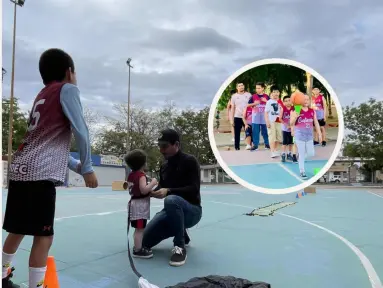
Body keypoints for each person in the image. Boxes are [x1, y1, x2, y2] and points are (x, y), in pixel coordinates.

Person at [2, 48, 98, 288]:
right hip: (38, 176)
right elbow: (81, 132)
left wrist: (77, 165)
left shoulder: (42, 95)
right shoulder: (68, 90)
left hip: (21, 169)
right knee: (44, 235)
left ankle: (2, 277)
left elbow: (51, 147)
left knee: (17, 229)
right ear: (69, 72)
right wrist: (87, 168)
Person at [141, 129, 202, 267]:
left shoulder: (190, 161)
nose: (161, 150)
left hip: (192, 211)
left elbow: (194, 188)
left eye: (165, 146)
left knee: (171, 199)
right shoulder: (164, 166)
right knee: (144, 241)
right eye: (159, 146)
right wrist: (146, 191)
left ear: (176, 145)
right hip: (172, 211)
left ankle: (179, 247)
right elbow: (162, 187)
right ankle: (181, 232)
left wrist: (169, 191)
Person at [124, 149, 158, 258]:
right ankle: (138, 250)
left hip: (133, 204)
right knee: (140, 229)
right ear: (143, 163)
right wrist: (153, 183)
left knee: (137, 229)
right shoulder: (141, 175)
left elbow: (133, 188)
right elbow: (143, 190)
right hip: (140, 206)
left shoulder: (131, 175)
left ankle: (137, 246)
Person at [290, 94, 322, 179]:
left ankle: (300, 157)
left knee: (311, 153)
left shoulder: (312, 111)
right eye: (304, 99)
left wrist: (319, 134)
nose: (306, 101)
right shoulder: (296, 109)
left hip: (309, 136)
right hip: (299, 135)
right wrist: (295, 117)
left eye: (307, 99)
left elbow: (316, 123)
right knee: (302, 153)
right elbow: (291, 123)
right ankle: (302, 171)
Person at [248, 82, 270, 151]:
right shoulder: (253, 96)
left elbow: (272, 105)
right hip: (255, 118)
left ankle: (267, 144)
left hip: (264, 118)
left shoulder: (266, 96)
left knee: (265, 131)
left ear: (263, 88)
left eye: (259, 88)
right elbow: (248, 105)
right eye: (256, 88)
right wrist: (255, 103)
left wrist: (266, 101)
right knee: (255, 132)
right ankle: (255, 145)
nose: (257, 89)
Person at [230, 83, 252, 150]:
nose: (241, 87)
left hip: (247, 117)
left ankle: (249, 145)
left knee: (249, 131)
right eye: (239, 86)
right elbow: (232, 108)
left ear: (244, 86)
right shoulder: (234, 96)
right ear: (237, 88)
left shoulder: (249, 95)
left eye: (242, 85)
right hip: (237, 116)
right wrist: (232, 119)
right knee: (237, 133)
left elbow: (252, 105)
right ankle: (237, 147)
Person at [264, 86, 282, 157]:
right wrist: (267, 122)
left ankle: (275, 150)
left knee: (278, 137)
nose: (275, 93)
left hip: (278, 121)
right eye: (274, 92)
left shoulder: (280, 102)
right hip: (271, 121)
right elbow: (265, 113)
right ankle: (272, 151)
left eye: (277, 92)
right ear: (271, 93)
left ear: (279, 93)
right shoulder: (269, 102)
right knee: (272, 136)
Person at [279, 96, 295, 162]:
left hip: (292, 129)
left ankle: (289, 154)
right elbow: (280, 118)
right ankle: (283, 154)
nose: (288, 102)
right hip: (285, 128)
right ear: (284, 102)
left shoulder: (294, 108)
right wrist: (286, 125)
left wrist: (292, 125)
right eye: (286, 101)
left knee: (291, 143)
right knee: (284, 143)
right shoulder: (283, 108)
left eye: (289, 100)